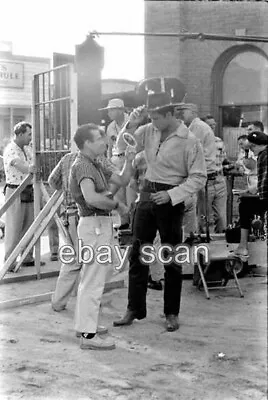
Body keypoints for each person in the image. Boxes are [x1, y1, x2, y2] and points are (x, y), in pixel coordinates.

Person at [113, 92, 207, 332]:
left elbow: (199, 177)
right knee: (137, 254)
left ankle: (171, 312)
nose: (152, 122)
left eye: (156, 117)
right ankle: (135, 308)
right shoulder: (147, 131)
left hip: (170, 197)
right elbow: (120, 146)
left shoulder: (190, 140)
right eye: (150, 117)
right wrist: (131, 123)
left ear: (169, 114)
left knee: (172, 257)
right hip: (146, 194)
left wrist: (173, 195)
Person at [69, 123, 135, 350]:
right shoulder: (84, 167)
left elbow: (122, 180)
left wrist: (130, 157)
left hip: (98, 224)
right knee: (93, 282)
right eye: (99, 138)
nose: (104, 142)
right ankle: (88, 336)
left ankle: (85, 326)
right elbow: (92, 199)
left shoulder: (96, 163)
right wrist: (118, 205)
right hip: (94, 223)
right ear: (87, 142)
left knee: (92, 279)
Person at [3, 121, 45, 271]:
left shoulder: (27, 149)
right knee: (14, 228)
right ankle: (10, 262)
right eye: (28, 134)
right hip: (15, 191)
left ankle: (27, 256)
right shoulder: (11, 150)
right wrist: (30, 168)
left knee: (29, 225)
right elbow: (20, 166)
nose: (30, 138)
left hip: (28, 189)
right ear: (19, 134)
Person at [234, 131, 268, 260]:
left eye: (252, 147)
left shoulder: (263, 155)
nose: (252, 151)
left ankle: (243, 246)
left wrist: (250, 193)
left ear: (257, 145)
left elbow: (265, 182)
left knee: (245, 206)